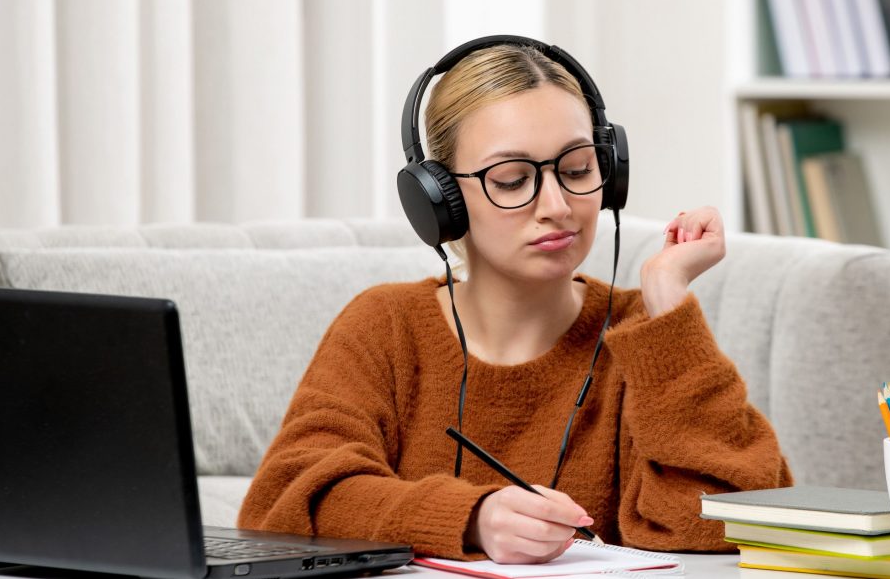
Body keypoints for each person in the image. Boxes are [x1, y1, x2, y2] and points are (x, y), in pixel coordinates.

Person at [237, 40, 792, 563]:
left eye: (577, 170)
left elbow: (731, 525)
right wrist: (471, 518)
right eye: (511, 179)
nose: (556, 205)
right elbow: (285, 502)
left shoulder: (644, 339)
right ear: (441, 200)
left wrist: (667, 306)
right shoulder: (385, 326)